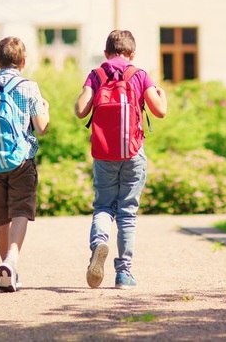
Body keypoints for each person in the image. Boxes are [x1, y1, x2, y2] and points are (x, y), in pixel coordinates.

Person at [74, 30, 167, 289]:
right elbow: (159, 111)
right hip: (133, 152)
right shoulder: (139, 75)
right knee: (127, 213)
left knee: (103, 206)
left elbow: (81, 111)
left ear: (106, 53)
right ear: (132, 54)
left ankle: (98, 244)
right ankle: (124, 274)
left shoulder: (96, 75)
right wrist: (163, 96)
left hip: (104, 153)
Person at [0, 36, 50, 293]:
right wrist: (45, 110)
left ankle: (8, 269)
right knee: (20, 212)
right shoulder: (29, 87)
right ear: (24, 62)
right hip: (21, 161)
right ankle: (11, 261)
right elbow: (41, 127)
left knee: (0, 218)